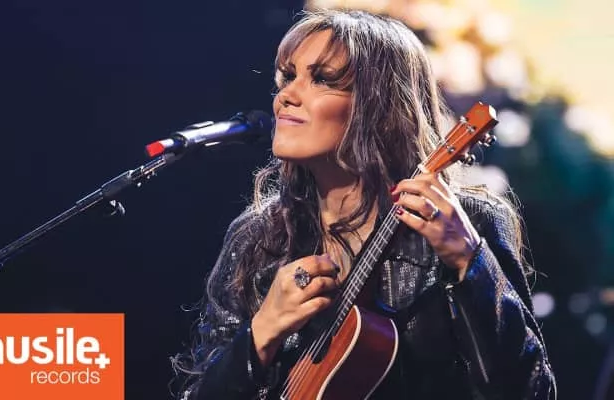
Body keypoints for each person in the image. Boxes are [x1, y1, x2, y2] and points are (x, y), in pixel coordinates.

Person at [170, 8, 556, 400]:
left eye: (322, 79)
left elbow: (530, 391)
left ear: (380, 107)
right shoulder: (259, 238)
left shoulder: (470, 223)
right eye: (287, 77)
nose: (286, 96)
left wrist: (470, 263)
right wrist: (262, 332)